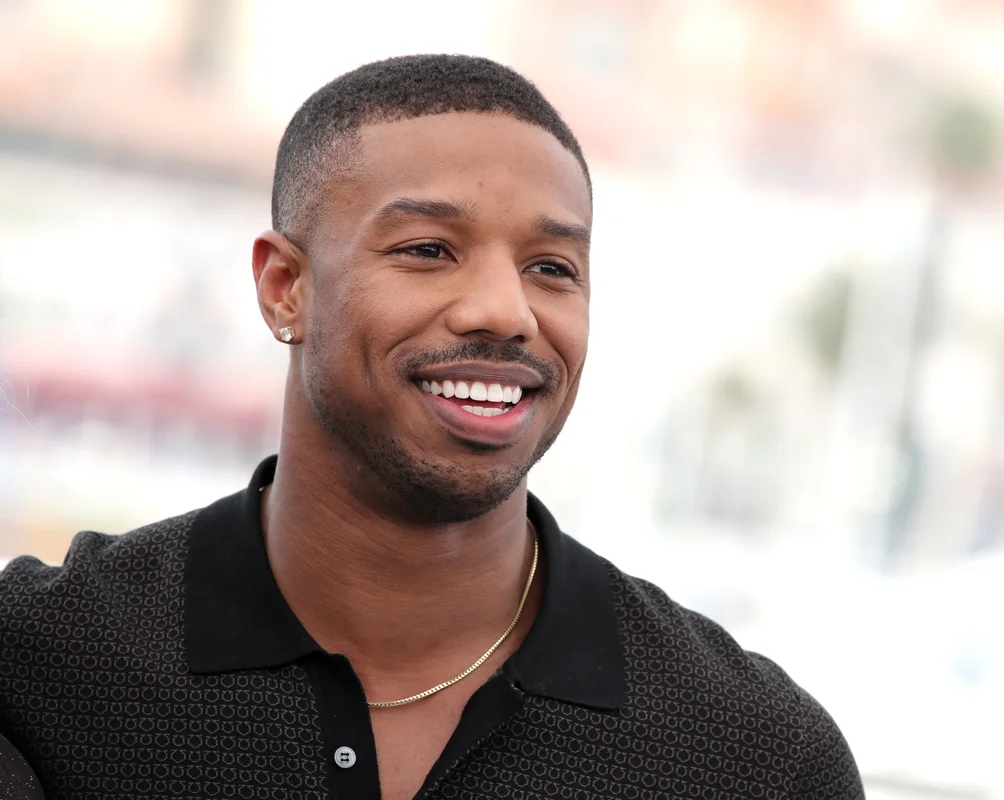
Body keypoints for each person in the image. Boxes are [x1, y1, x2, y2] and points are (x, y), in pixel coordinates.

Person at [0, 55, 864, 799]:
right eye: (427, 250)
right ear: (284, 288)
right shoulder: (39, 665)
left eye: (552, 268)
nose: (506, 310)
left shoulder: (755, 756)